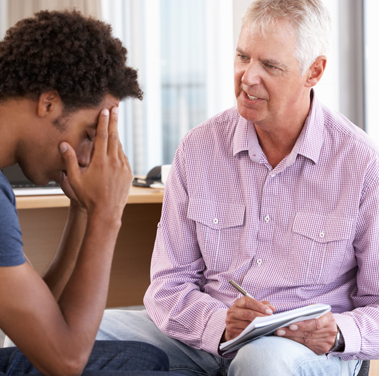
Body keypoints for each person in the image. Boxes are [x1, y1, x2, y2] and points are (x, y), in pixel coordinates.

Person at [97, 0, 379, 375]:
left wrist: (338, 332)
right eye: (243, 56)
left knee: (261, 360)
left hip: (305, 353)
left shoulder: (361, 164)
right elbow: (169, 284)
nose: (247, 76)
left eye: (270, 65)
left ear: (314, 71)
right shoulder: (199, 148)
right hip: (204, 339)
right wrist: (221, 324)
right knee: (62, 334)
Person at [0, 10, 176, 376]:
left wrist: (83, 211)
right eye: (89, 134)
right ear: (48, 103)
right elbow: (64, 360)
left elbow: (47, 314)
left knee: (145, 360)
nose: (86, 156)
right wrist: (108, 214)